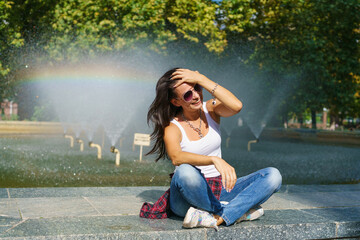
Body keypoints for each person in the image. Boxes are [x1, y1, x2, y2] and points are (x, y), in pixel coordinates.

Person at [140, 68, 282, 230]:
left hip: (220, 189)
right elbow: (176, 157)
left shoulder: (211, 110)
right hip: (187, 197)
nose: (195, 95)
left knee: (273, 175)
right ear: (176, 102)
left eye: (197, 88)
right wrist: (214, 160)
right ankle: (237, 211)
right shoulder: (172, 127)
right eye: (187, 94)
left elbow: (236, 106)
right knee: (184, 171)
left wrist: (201, 78)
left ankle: (218, 217)